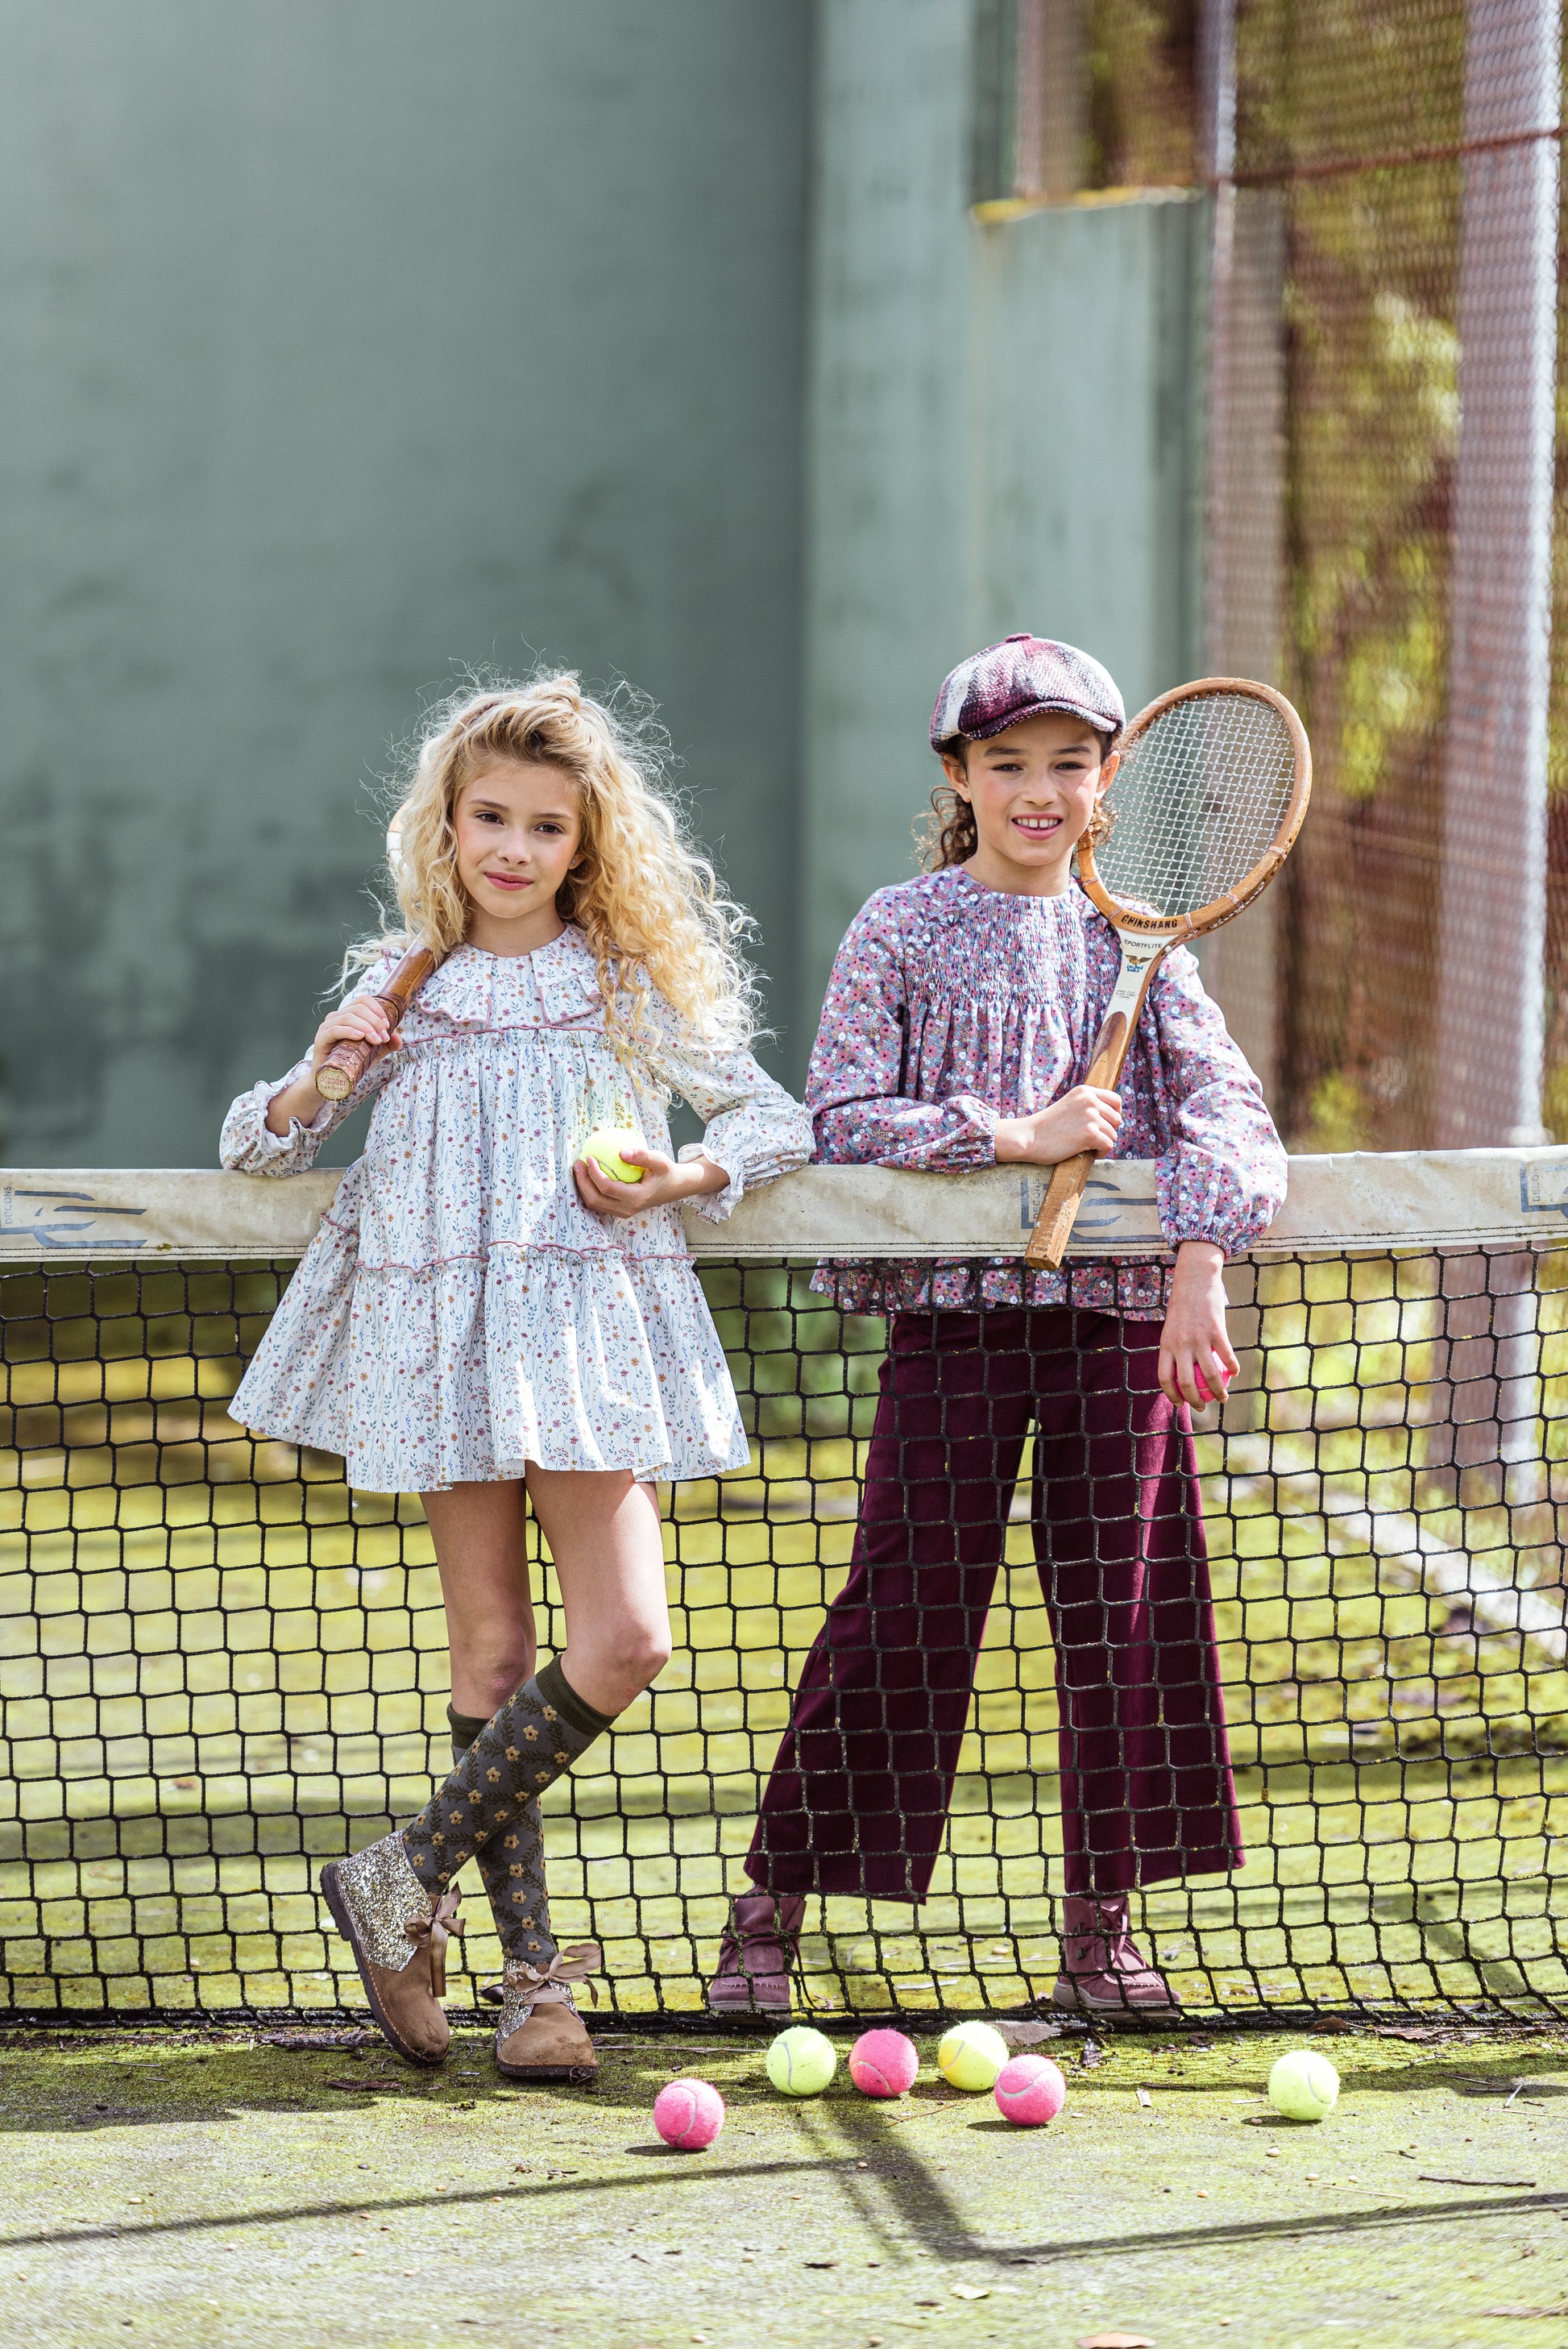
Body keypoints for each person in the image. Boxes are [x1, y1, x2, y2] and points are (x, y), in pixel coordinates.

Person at [222, 673, 811, 2079]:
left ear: (585, 843)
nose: (513, 847)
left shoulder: (618, 984)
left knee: (627, 1638)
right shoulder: (403, 986)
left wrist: (679, 1175)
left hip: (586, 1334)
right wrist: (321, 1075)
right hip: (441, 1338)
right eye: (490, 817)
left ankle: (396, 1875)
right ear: (447, 823)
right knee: (489, 1658)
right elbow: (259, 1143)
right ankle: (534, 1990)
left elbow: (769, 1115)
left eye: (547, 827)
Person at [706, 634, 1288, 2018]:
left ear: (1105, 780)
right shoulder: (898, 926)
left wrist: (1197, 1264)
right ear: (958, 775)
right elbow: (843, 1118)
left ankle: (1102, 1930)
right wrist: (1013, 1135)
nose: (1038, 790)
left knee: (1123, 1621)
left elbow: (1233, 1118)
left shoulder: (1140, 945)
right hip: (953, 1325)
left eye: (1068, 764)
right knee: (902, 1607)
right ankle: (769, 1912)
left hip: (1116, 1331)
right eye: (1007, 762)